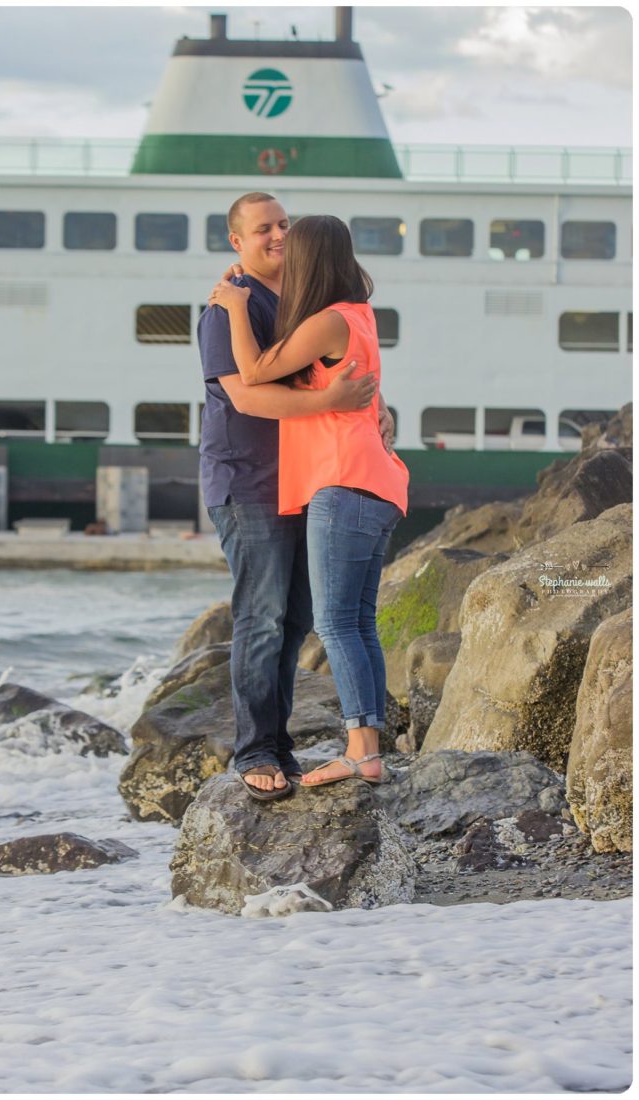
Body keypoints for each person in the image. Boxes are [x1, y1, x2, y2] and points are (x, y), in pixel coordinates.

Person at [198, 192, 391, 802]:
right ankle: (256, 749)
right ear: (238, 242)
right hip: (250, 481)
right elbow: (249, 394)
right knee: (263, 617)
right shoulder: (229, 308)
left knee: (301, 620)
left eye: (285, 224)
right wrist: (332, 404)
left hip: (313, 480)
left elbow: (344, 373)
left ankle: (280, 745)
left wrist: (379, 415)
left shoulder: (309, 305)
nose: (278, 235)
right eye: (264, 229)